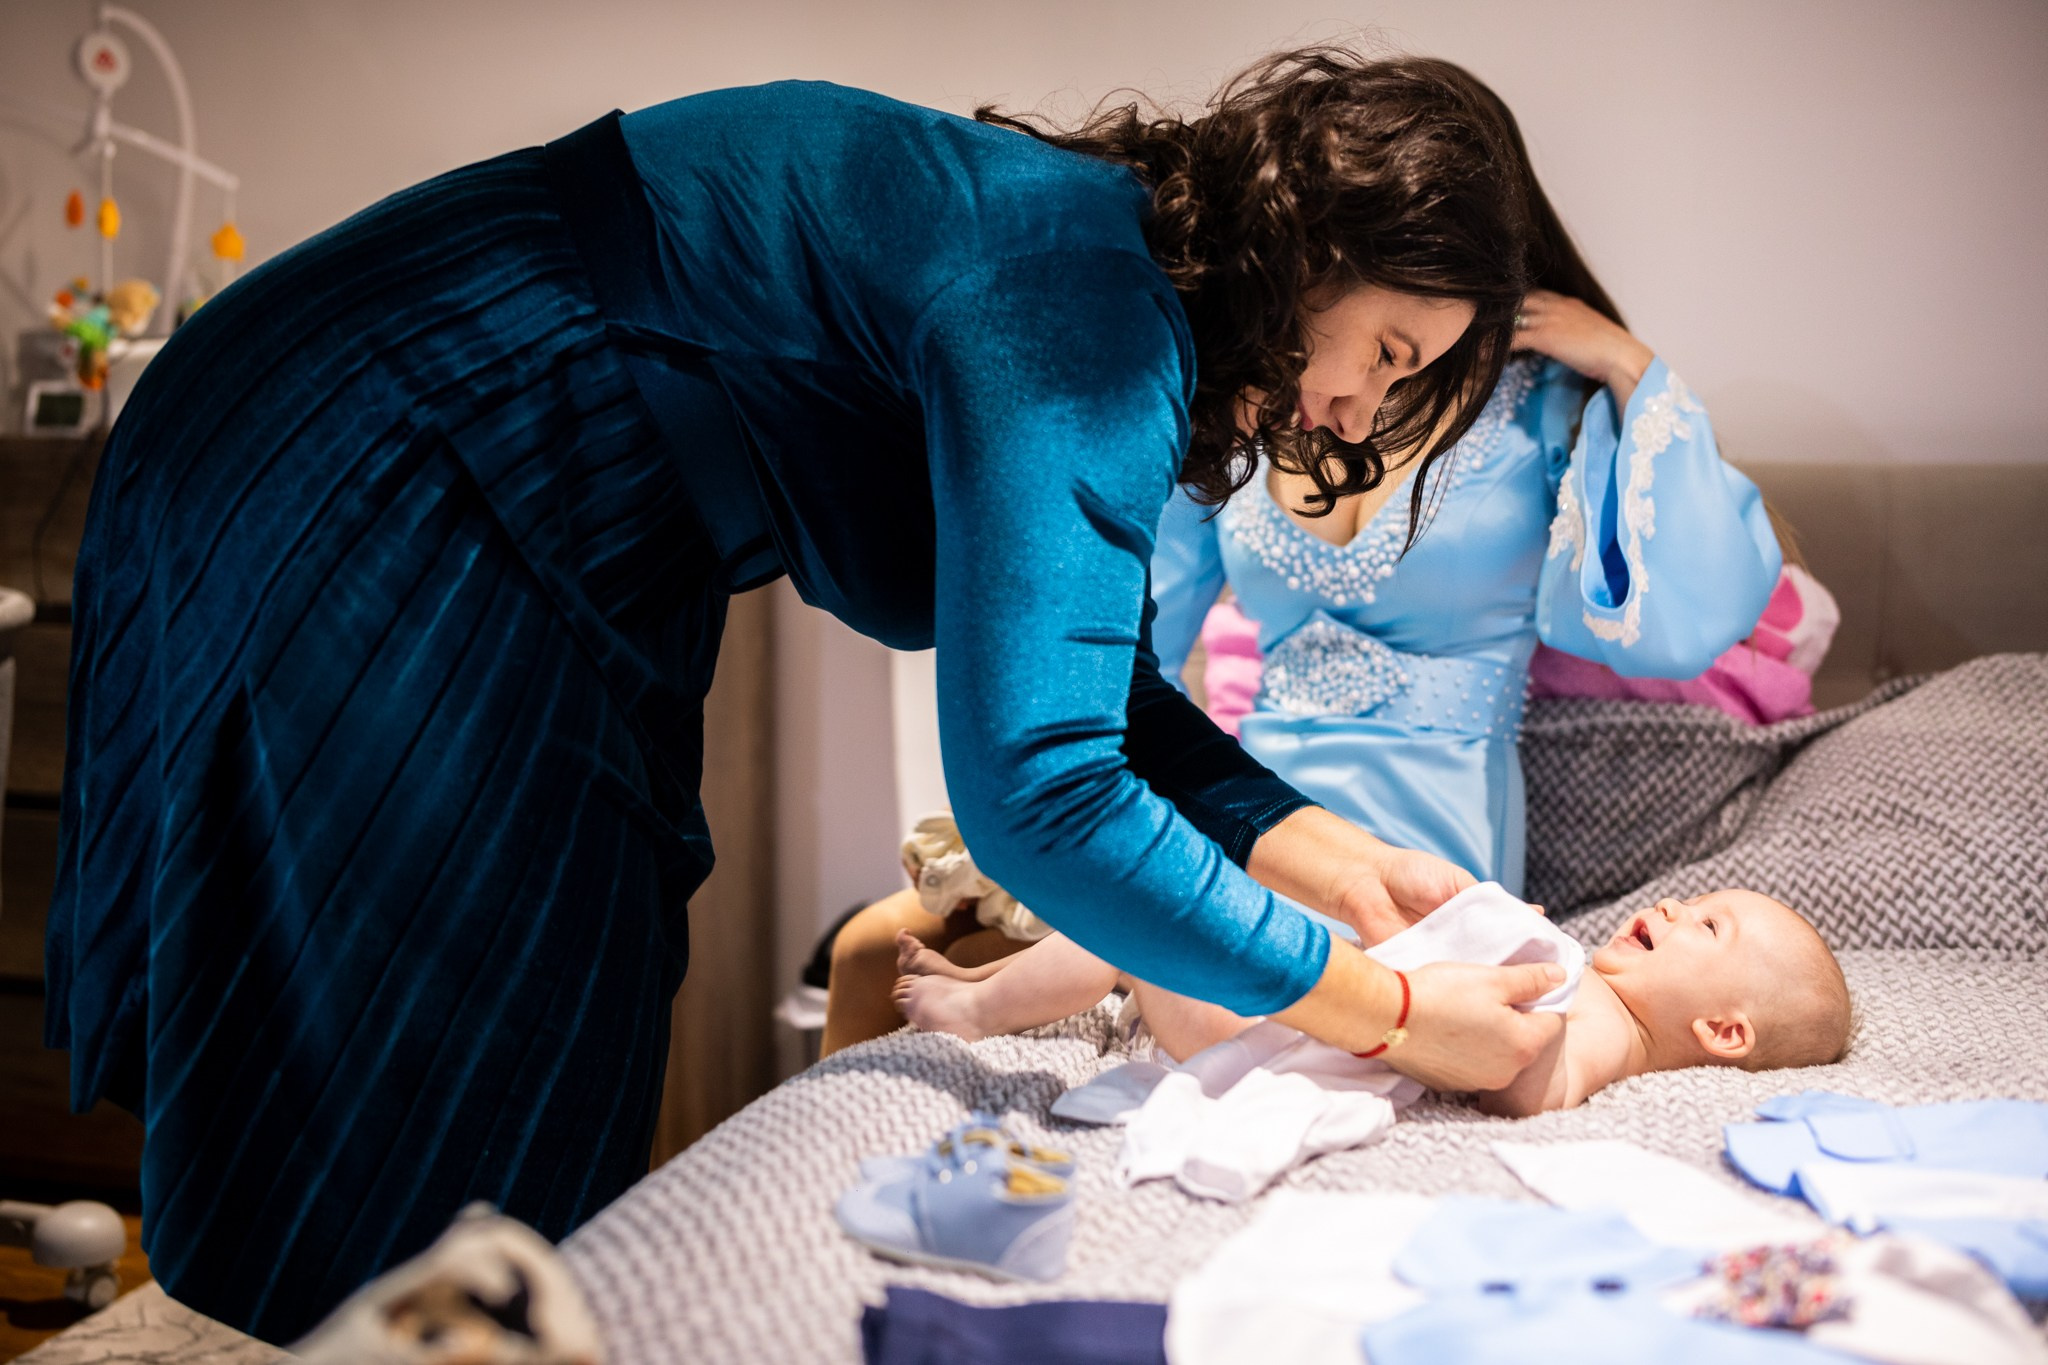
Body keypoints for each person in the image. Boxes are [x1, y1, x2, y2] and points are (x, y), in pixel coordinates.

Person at [45, 50, 1562, 1339]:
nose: (1359, 408)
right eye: (1386, 347)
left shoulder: (1099, 273)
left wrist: (1330, 853)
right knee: (415, 1066)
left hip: (507, 490)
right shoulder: (1080, 309)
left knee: (540, 1043)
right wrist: (1399, 1016)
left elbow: (1106, 694)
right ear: (1312, 233)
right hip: (401, 441)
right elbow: (1044, 793)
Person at [820, 66, 1785, 1057]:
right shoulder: (1259, 395)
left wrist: (1625, 363)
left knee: (1301, 973)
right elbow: (1127, 630)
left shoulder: (1544, 412)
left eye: (1405, 354)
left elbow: (1672, 618)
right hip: (1256, 788)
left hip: (1428, 817)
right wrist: (1060, 763)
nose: (1359, 405)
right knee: (1115, 904)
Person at [894, 885, 1851, 1114]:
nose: (1675, 907)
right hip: (1317, 1005)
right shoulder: (1593, 985)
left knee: (1144, 914)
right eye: (1694, 902)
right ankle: (982, 980)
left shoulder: (1605, 1030)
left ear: (1723, 1031)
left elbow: (1532, 1081)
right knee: (1162, 914)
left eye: (1709, 929)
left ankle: (974, 1013)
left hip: (1274, 1040)